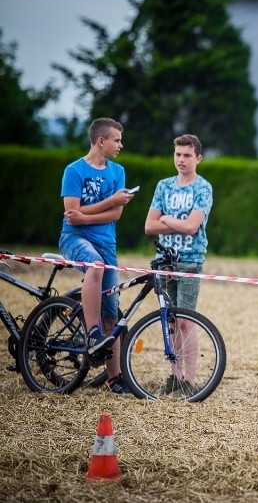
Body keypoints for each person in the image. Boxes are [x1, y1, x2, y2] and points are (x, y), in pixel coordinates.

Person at [59, 117, 134, 394]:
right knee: (96, 266)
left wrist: (88, 213)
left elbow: (114, 215)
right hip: (73, 238)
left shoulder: (118, 172)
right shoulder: (73, 171)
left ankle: (114, 378)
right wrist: (110, 202)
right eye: (117, 140)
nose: (121, 145)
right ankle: (92, 335)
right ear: (101, 141)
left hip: (107, 243)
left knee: (112, 314)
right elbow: (72, 217)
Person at [145, 134, 213, 396]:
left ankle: (189, 379)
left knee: (186, 320)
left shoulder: (203, 188)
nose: (181, 160)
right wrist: (177, 222)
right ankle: (174, 376)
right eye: (177, 154)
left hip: (190, 260)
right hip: (165, 260)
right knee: (170, 321)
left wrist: (168, 218)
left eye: (186, 155)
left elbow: (192, 226)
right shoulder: (164, 186)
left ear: (198, 158)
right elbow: (149, 225)